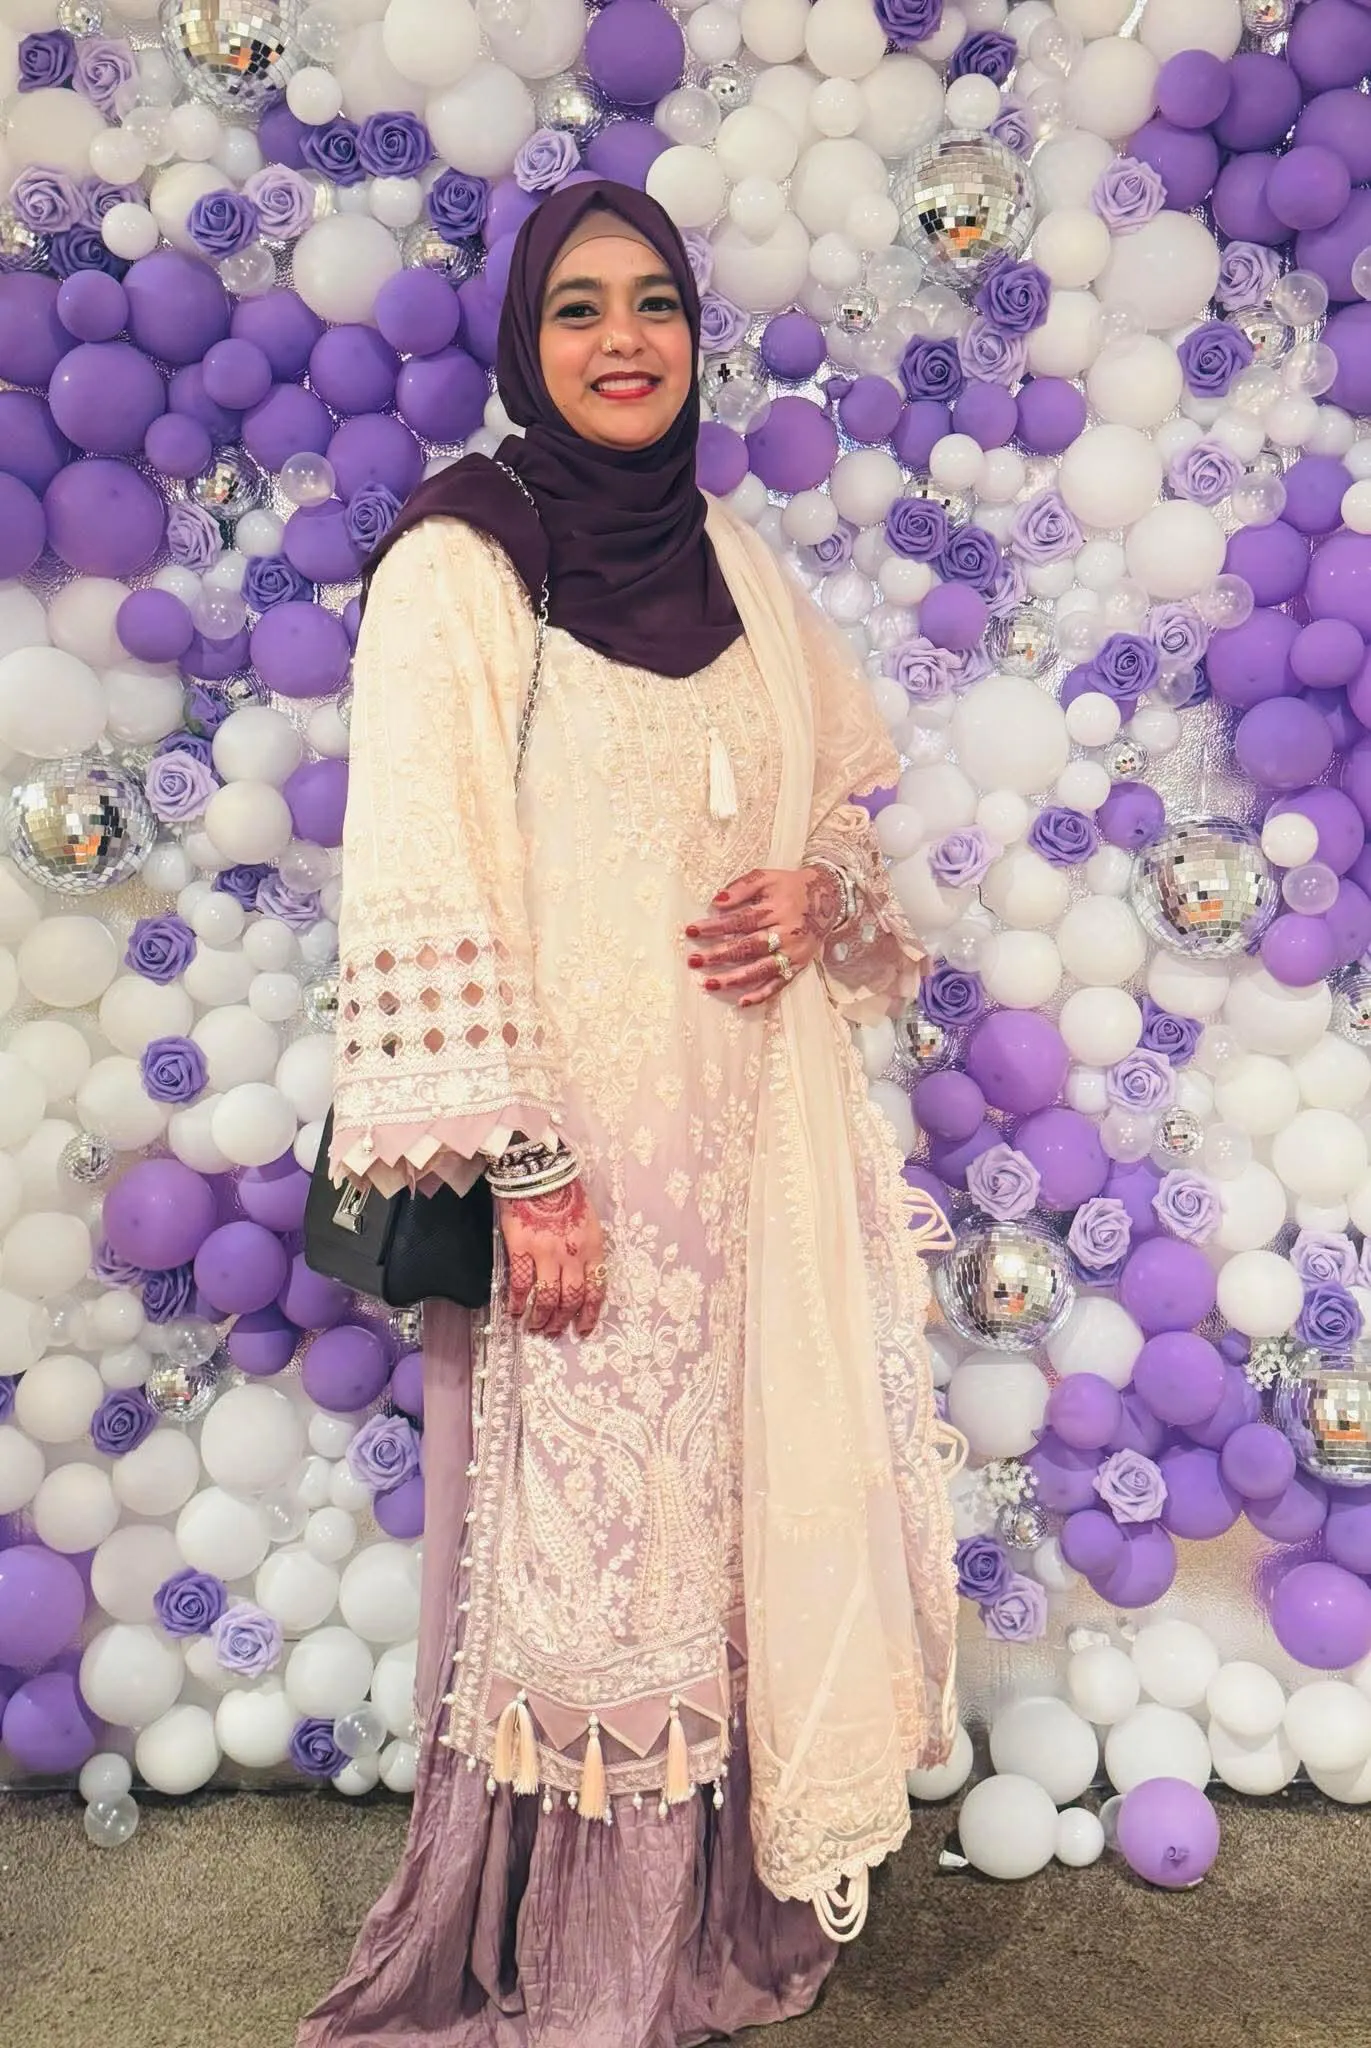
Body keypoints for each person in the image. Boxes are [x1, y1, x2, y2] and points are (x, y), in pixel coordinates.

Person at [299, 178, 962, 2048]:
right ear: (527, 341)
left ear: (693, 335)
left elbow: (834, 808)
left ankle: (712, 1917)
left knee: (729, 1523)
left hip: (750, 1157)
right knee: (597, 1555)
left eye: (653, 303)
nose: (622, 341)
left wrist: (812, 895)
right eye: (578, 308)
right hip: (580, 1160)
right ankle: (579, 1949)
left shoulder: (732, 558)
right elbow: (424, 869)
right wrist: (530, 1170)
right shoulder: (467, 555)